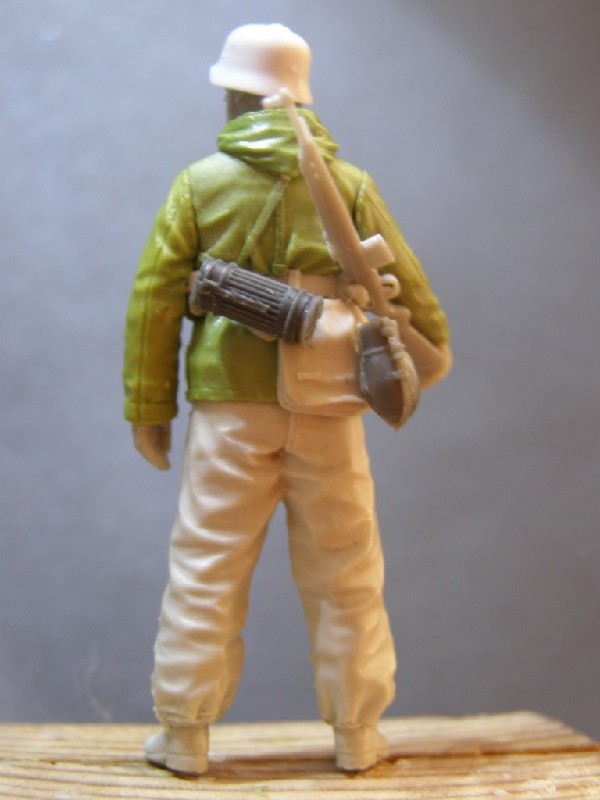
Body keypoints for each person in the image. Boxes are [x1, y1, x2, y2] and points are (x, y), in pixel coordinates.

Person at [123, 23, 450, 776]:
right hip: (331, 406)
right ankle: (358, 731)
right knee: (346, 572)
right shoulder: (351, 185)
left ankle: (184, 734)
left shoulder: (199, 184)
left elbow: (154, 302)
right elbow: (416, 299)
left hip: (229, 412)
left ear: (234, 95)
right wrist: (421, 355)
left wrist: (150, 407)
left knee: (207, 569)